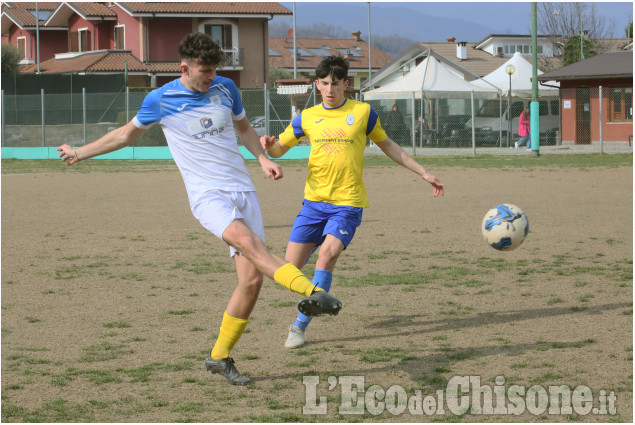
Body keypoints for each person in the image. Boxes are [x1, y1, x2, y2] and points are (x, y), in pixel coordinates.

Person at [56, 32, 342, 386]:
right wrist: (79, 152)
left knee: (251, 281)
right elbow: (124, 135)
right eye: (205, 71)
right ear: (184, 68)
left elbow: (243, 128)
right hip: (207, 195)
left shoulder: (225, 89)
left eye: (214, 70)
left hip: (243, 190)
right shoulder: (161, 99)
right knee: (251, 246)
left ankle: (219, 357)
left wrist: (263, 158)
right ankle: (314, 294)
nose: (211, 77)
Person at [260, 56, 444, 349]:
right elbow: (280, 149)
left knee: (328, 256)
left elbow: (388, 146)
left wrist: (424, 172)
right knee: (288, 270)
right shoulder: (307, 116)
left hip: (347, 203)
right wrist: (270, 147)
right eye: (324, 83)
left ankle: (298, 327)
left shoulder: (362, 113)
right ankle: (312, 263)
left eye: (335, 83)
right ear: (317, 84)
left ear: (346, 84)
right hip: (313, 204)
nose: (330, 89)